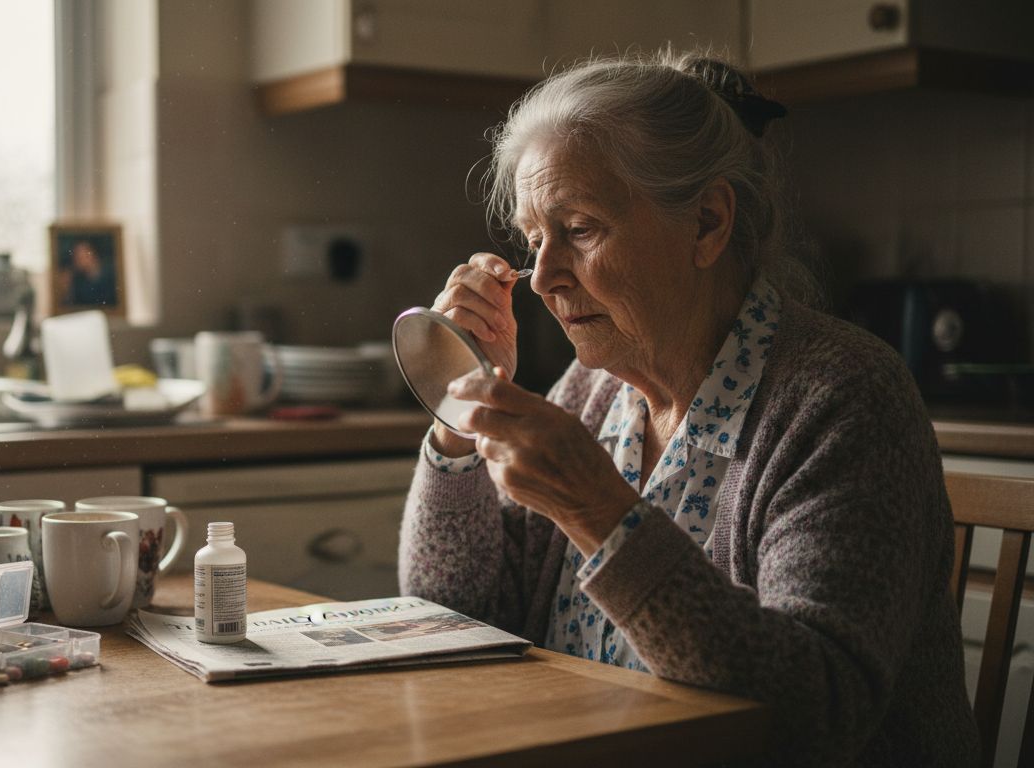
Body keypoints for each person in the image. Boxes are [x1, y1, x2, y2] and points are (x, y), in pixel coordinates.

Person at [399, 50, 978, 767]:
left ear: (707, 222)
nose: (543, 278)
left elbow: (818, 714)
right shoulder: (591, 394)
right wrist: (462, 404)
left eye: (579, 228)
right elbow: (456, 618)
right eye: (535, 240)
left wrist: (600, 514)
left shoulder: (843, 397)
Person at [60, 239, 117, 307]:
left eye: (80, 255)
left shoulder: (112, 277)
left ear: (92, 254)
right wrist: (67, 290)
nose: (76, 259)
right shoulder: (79, 281)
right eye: (75, 256)